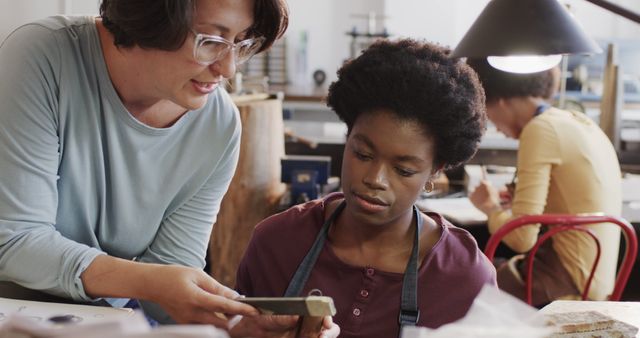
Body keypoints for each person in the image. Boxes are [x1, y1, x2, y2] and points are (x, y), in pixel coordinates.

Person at [0, 0, 339, 336]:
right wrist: (150, 282)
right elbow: (15, 239)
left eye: (242, 43)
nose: (229, 68)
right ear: (150, 18)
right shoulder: (42, 56)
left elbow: (168, 290)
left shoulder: (217, 125)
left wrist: (236, 322)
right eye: (211, 42)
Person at [236, 39, 496, 338]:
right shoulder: (276, 243)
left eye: (403, 170)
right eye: (362, 154)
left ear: (433, 172)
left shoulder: (466, 278)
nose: (376, 179)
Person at [466, 58, 623, 306]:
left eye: (488, 114)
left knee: (458, 276)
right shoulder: (578, 122)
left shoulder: (540, 129)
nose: (495, 127)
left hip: (565, 285)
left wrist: (490, 208)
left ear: (502, 102)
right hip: (597, 283)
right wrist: (514, 204)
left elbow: (521, 238)